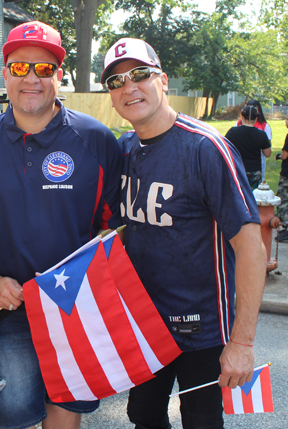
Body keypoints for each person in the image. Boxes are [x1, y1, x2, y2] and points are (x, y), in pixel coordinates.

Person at [0, 21, 122, 429]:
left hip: (76, 306)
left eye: (44, 69)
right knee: (13, 414)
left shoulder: (97, 141)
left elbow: (115, 228)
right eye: (20, 68)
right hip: (9, 309)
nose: (31, 78)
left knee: (65, 404)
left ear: (59, 76)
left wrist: (77, 275)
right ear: (5, 73)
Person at [102, 37, 266, 429]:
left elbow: (251, 247)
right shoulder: (123, 150)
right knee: (143, 416)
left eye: (140, 74)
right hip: (145, 327)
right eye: (115, 81)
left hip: (204, 332)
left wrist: (241, 343)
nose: (129, 87)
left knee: (201, 423)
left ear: (163, 80)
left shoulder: (206, 148)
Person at [226, 105, 271, 190]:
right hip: (255, 170)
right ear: (256, 118)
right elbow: (267, 153)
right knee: (253, 196)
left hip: (238, 168)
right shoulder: (261, 134)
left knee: (238, 195)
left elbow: (224, 147)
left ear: (242, 116)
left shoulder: (233, 131)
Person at [236, 99, 272, 180]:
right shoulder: (238, 124)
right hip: (246, 163)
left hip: (256, 161)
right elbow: (268, 152)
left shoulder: (264, 125)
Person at [275, 113, 288, 242]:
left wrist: (278, 156)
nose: (285, 121)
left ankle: (287, 227)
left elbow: (285, 155)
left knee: (282, 200)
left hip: (286, 174)